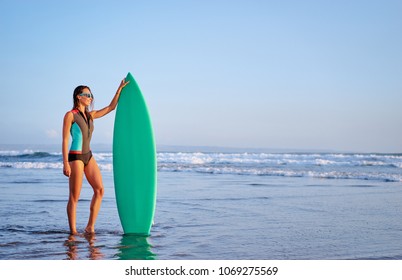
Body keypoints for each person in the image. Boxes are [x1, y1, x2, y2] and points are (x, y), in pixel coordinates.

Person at [62, 78, 129, 235]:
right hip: (76, 157)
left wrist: (119, 89)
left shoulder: (90, 115)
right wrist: (65, 163)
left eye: (91, 94)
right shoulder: (70, 115)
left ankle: (89, 226)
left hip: (88, 156)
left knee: (99, 190)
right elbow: (65, 139)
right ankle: (73, 232)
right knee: (74, 196)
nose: (90, 97)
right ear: (78, 96)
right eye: (87, 94)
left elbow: (111, 108)